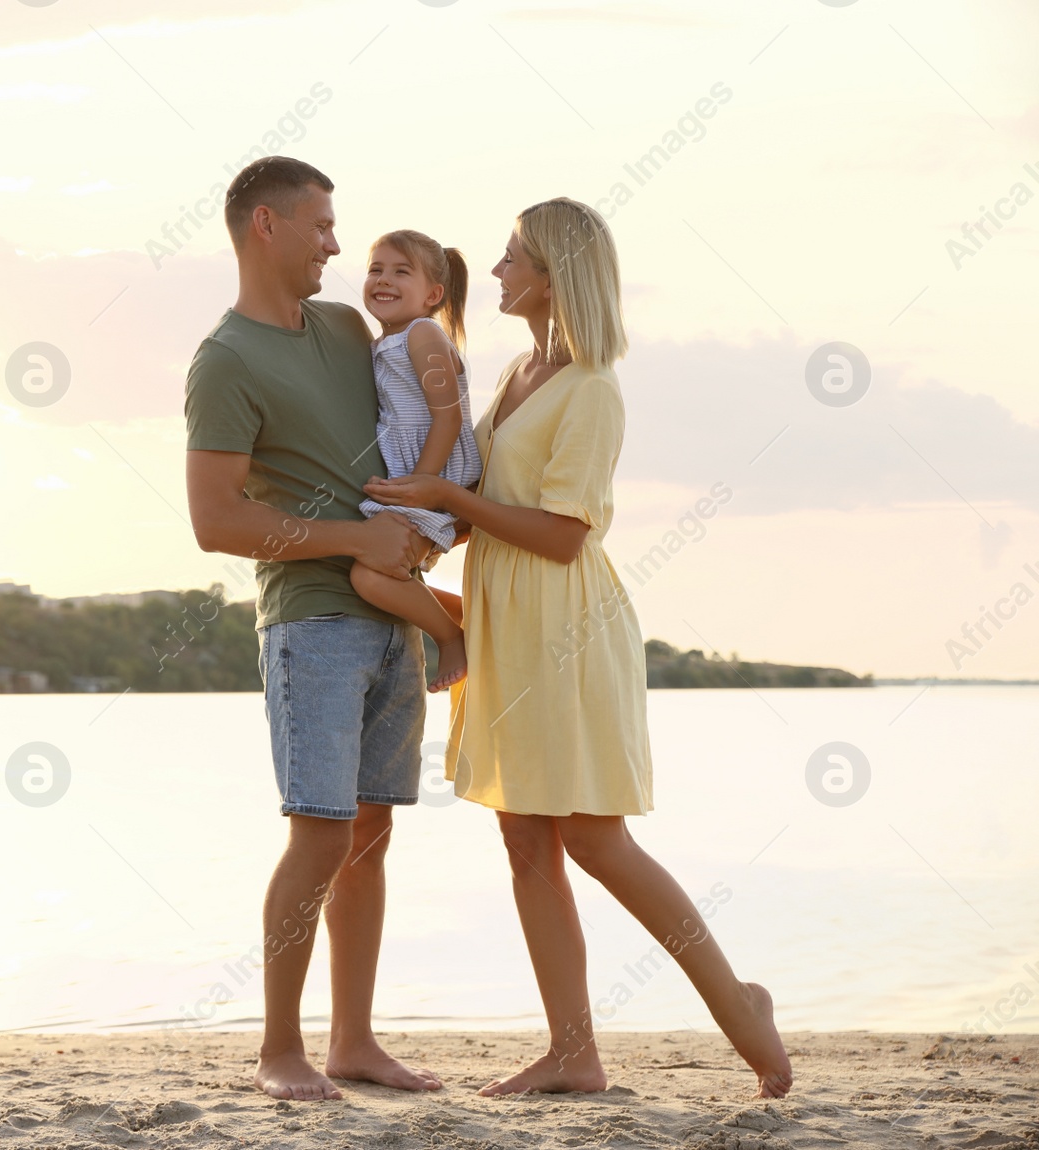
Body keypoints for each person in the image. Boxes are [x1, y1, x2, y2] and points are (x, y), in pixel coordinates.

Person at [363, 197, 794, 1099]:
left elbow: (562, 533)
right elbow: (479, 501)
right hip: (509, 620)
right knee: (525, 841)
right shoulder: (521, 369)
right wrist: (414, 521)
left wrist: (448, 491)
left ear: (557, 274)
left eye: (514, 256)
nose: (497, 269)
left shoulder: (592, 387)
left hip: (566, 625)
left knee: (598, 840)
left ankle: (737, 1004)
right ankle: (573, 1052)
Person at [184, 156, 444, 1102]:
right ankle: (279, 1052)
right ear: (266, 225)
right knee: (319, 837)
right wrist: (354, 538)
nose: (338, 244)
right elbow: (216, 521)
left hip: (390, 619)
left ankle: (355, 1043)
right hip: (312, 628)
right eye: (322, 225)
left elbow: (424, 397)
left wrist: (427, 524)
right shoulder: (225, 361)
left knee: (369, 835)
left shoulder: (343, 328)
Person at [350, 230, 482, 692]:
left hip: (438, 471)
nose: (383, 280)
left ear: (433, 294)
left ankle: (450, 636)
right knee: (386, 569)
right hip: (417, 475)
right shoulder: (385, 341)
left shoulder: (423, 334)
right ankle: (469, 618)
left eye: (400, 272)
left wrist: (420, 487)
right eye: (375, 269)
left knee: (370, 577)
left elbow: (446, 419)